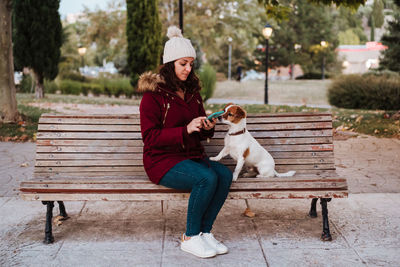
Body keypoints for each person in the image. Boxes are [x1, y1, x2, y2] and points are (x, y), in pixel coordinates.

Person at [138, 26, 233, 259]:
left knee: (224, 174)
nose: (188, 69)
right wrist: (186, 128)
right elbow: (150, 138)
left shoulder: (192, 93)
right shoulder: (153, 96)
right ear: (170, 64)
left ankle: (205, 233)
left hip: (190, 157)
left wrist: (205, 128)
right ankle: (190, 237)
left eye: (191, 63)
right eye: (183, 64)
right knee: (206, 177)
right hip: (161, 161)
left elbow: (197, 130)